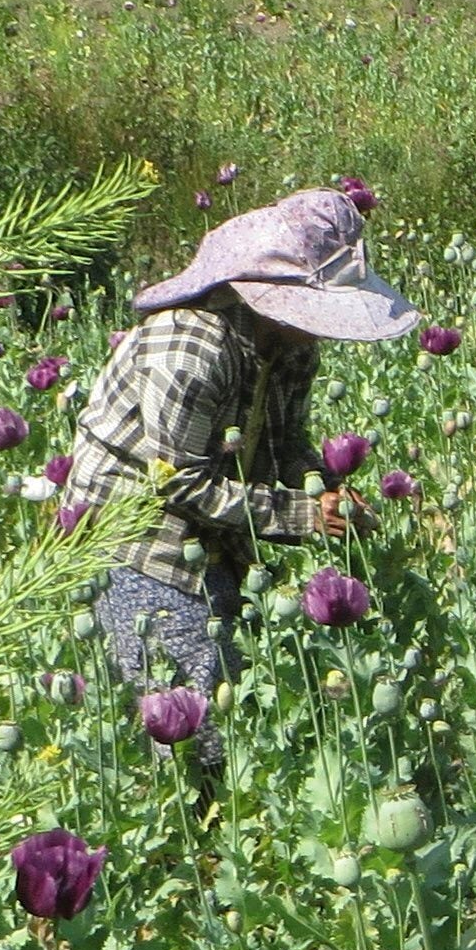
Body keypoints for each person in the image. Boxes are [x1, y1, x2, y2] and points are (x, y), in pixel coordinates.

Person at [59, 185, 419, 768]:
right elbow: (179, 483)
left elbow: (285, 443)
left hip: (221, 535)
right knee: (190, 724)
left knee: (233, 698)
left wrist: (324, 486)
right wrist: (305, 515)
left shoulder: (291, 348)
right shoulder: (189, 350)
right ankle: (182, 810)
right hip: (136, 542)